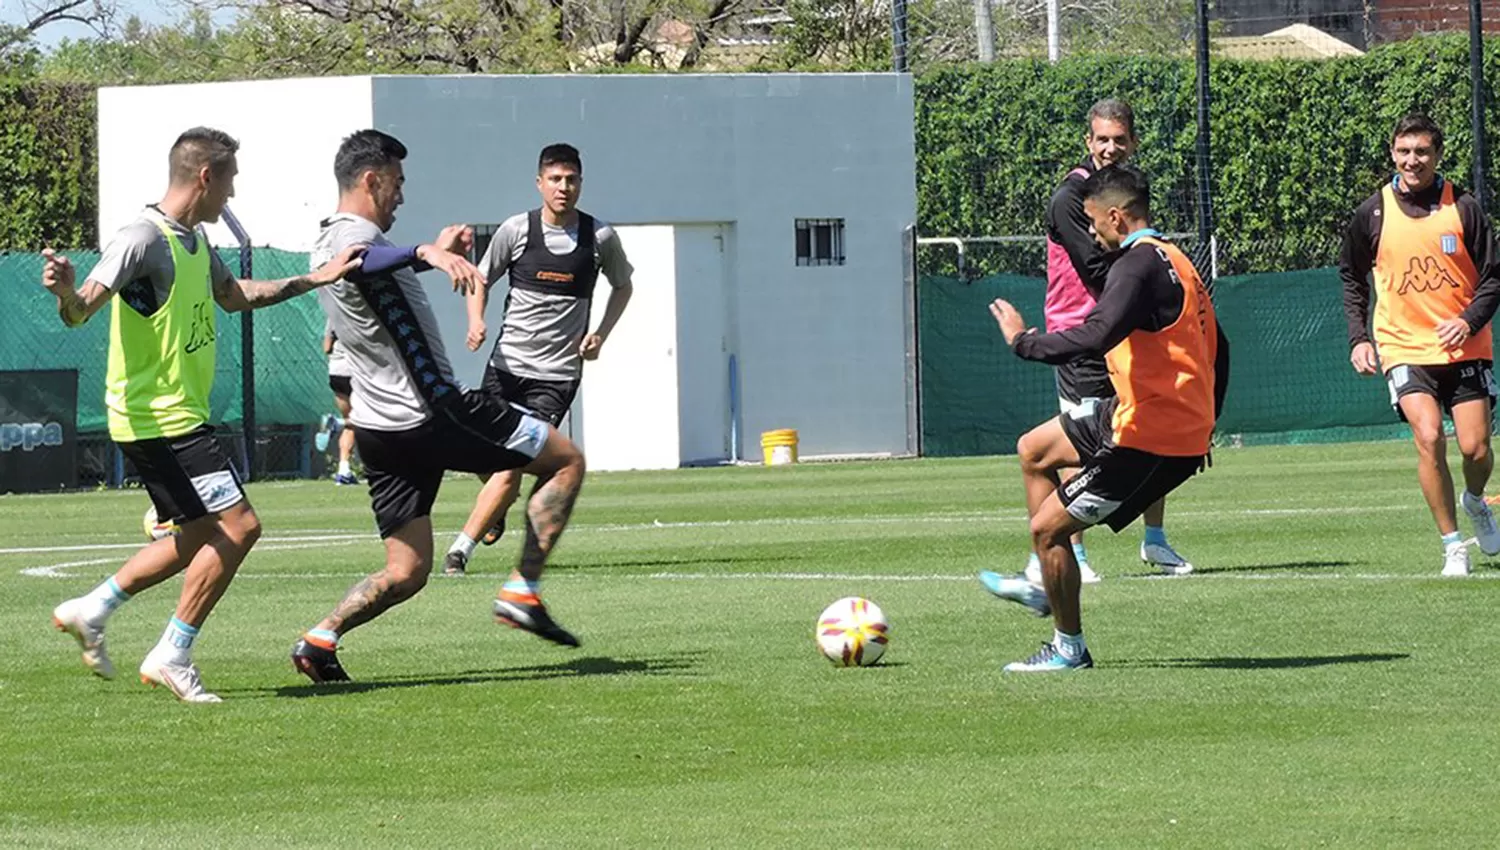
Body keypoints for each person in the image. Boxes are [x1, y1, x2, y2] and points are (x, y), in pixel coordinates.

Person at [43, 127, 363, 702]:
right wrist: (67, 292)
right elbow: (81, 310)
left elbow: (235, 296)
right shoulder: (142, 237)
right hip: (157, 418)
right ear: (205, 177)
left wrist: (315, 277)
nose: (231, 196)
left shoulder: (193, 241)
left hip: (177, 416)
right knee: (240, 527)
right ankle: (173, 651)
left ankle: (92, 608)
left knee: (197, 535)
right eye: (230, 181)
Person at [290, 130, 589, 684]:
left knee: (407, 570)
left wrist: (430, 254)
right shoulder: (353, 238)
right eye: (397, 184)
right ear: (370, 180)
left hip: (379, 429)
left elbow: (370, 269)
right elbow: (366, 260)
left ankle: (320, 638)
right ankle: (523, 591)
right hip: (430, 410)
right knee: (566, 459)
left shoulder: (326, 240)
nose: (401, 196)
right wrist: (426, 250)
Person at [980, 165, 1229, 672]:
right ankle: (1047, 578)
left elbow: (1095, 334)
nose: (1090, 232)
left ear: (1116, 216)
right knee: (1034, 450)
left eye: (1093, 222)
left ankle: (1069, 648)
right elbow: (1220, 346)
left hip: (1150, 438)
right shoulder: (1177, 259)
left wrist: (1023, 342)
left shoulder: (1135, 267)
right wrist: (1207, 423)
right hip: (1138, 418)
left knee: (1049, 529)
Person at [441, 143, 634, 576]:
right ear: (539, 183)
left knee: (510, 460)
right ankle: (496, 508)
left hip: (556, 377)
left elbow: (623, 287)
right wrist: (475, 320)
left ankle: (459, 550)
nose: (564, 188)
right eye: (555, 179)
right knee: (484, 455)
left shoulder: (599, 237)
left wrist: (600, 333)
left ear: (581, 183)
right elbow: (480, 279)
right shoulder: (516, 230)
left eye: (572, 180)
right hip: (506, 367)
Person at [1035, 97, 1194, 583]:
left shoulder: (1126, 194)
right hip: (1082, 333)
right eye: (1101, 139)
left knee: (1149, 425)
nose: (1109, 148)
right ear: (1088, 141)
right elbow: (1099, 269)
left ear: (1133, 143)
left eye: (1119, 140)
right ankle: (1074, 552)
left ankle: (1155, 540)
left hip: (1124, 333)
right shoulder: (1071, 198)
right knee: (1078, 438)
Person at [1341, 113, 1500, 577]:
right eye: (1404, 151)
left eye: (1422, 152)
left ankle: (1475, 501)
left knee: (1475, 449)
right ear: (1392, 153)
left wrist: (1468, 321)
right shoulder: (1372, 212)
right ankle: (1453, 544)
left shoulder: (1464, 207)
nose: (1413, 160)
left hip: (1465, 348)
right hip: (1403, 347)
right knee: (1429, 436)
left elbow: (1492, 278)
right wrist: (1359, 338)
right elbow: (1351, 277)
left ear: (1438, 155)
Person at [315, 323, 360, 485]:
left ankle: (343, 471)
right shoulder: (366, 311)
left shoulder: (333, 314)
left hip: (336, 371)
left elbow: (327, 347)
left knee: (352, 423)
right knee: (376, 416)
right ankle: (336, 423)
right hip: (358, 372)